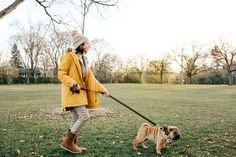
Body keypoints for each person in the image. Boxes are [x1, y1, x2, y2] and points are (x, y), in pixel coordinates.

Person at [58, 30, 109, 154]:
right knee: (85, 116)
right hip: (72, 93)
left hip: (80, 95)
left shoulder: (85, 60)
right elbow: (61, 74)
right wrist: (73, 83)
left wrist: (103, 91)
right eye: (87, 43)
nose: (89, 45)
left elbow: (92, 80)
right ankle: (67, 142)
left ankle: (72, 144)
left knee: (75, 119)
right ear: (81, 45)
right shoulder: (69, 57)